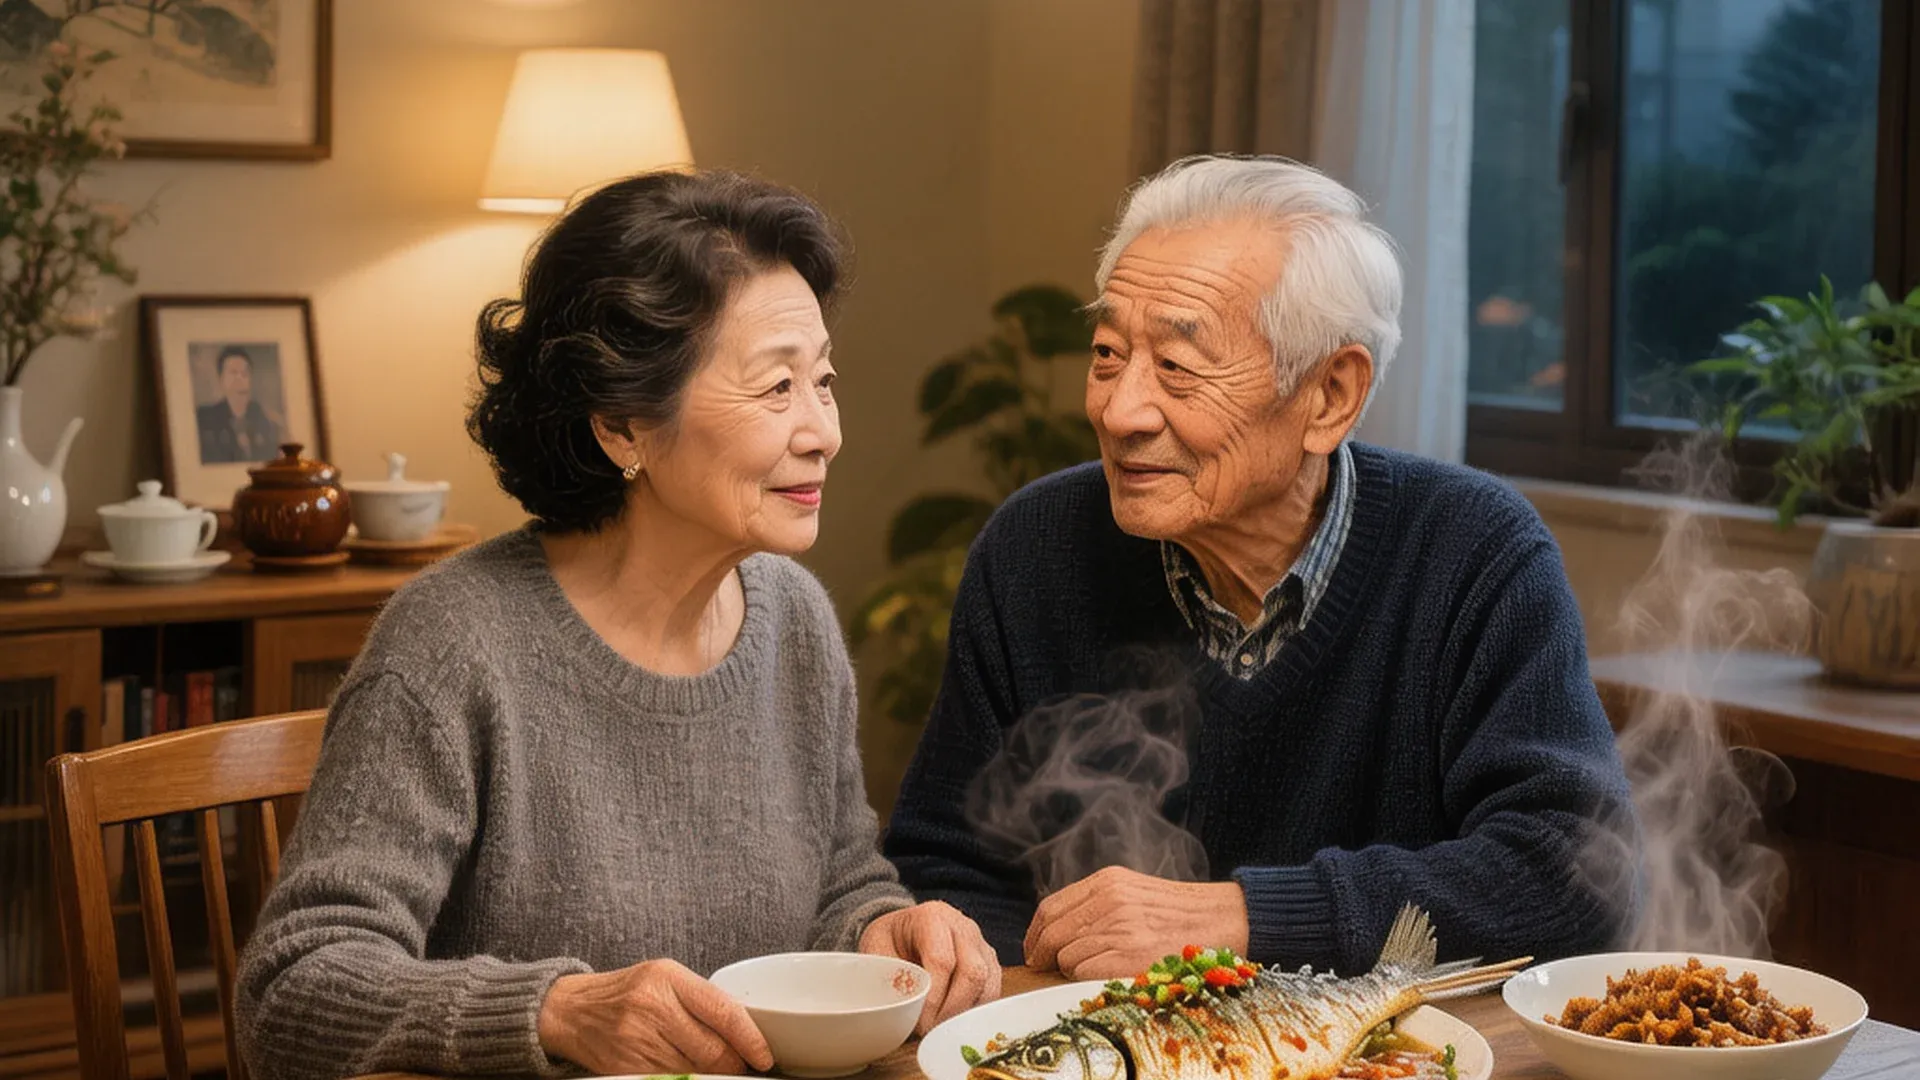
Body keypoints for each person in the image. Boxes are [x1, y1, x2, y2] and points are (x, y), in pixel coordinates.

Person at [236, 170, 1000, 1080]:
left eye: (823, 380)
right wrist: (557, 1010)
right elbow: (292, 989)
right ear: (622, 427)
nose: (824, 430)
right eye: (776, 388)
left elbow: (838, 882)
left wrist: (886, 926)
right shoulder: (454, 648)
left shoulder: (794, 623)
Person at [884, 155, 1636, 980]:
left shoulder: (1471, 553)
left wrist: (1246, 918)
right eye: (1107, 354)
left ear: (1330, 397)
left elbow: (1577, 873)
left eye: (1177, 366)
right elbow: (943, 868)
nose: (1120, 410)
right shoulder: (1036, 550)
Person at [194, 345, 282, 463]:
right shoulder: (205, 419)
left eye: (245, 373)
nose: (240, 379)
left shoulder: (267, 420)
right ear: (221, 380)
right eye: (233, 373)